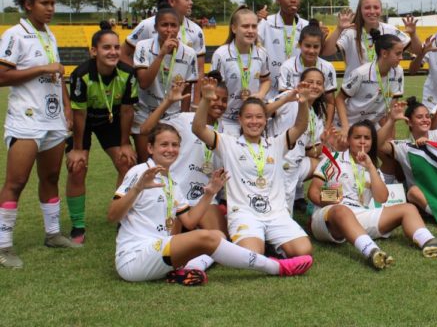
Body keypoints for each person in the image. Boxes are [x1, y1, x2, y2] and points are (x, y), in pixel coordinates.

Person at [108, 124, 312, 284]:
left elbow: (189, 220)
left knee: (218, 235)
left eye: (175, 145)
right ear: (150, 147)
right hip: (134, 257)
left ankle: (190, 269)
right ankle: (276, 268)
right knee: (206, 237)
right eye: (164, 144)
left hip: (157, 251)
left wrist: (210, 193)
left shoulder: (172, 181)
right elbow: (112, 216)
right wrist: (137, 189)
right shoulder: (139, 172)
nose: (170, 149)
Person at [307, 120, 437, 269]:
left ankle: (429, 242)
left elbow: (381, 198)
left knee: (408, 208)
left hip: (358, 216)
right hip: (329, 216)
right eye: (357, 137)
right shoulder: (333, 160)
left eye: (367, 138)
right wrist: (329, 199)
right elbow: (313, 192)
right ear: (348, 140)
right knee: (342, 210)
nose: (362, 142)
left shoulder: (372, 167)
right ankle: (371, 251)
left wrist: (370, 167)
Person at [0, 0, 80, 269]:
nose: (51, 9)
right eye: (45, 3)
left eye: (53, 3)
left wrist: (67, 109)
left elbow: (58, 78)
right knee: (16, 182)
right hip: (26, 121)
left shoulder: (49, 36)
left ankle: (52, 234)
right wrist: (43, 68)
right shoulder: (15, 35)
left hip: (53, 120)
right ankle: (3, 245)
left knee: (50, 178)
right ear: (28, 4)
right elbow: (1, 76)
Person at [192, 76, 314, 260]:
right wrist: (205, 99)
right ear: (240, 119)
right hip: (244, 214)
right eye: (248, 117)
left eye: (259, 117)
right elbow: (199, 128)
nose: (254, 122)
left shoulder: (276, 143)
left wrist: (303, 103)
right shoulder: (228, 143)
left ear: (266, 120)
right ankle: (264, 245)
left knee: (304, 250)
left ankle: (270, 242)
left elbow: (300, 126)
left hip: (276, 214)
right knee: (252, 254)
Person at [65, 22, 138, 244]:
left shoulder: (127, 73)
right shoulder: (82, 74)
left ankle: (121, 217)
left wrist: (125, 143)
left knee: (126, 162)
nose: (113, 52)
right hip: (85, 121)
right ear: (94, 51)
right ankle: (77, 225)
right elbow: (79, 115)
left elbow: (127, 110)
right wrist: (78, 149)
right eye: (107, 48)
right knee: (77, 167)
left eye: (116, 47)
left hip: (111, 119)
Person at [139, 74, 228, 234]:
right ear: (205, 97)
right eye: (215, 98)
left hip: (204, 198)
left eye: (224, 100)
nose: (219, 104)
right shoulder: (183, 120)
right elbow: (145, 130)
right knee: (168, 245)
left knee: (219, 238)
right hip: (175, 195)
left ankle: (193, 235)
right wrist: (168, 101)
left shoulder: (226, 132)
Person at [121, 0, 205, 103]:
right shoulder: (148, 25)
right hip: (148, 101)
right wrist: (138, 76)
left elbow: (200, 69)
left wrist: (196, 102)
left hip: (179, 102)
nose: (191, 2)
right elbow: (123, 53)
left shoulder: (196, 30)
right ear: (172, 1)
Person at [132, 8, 198, 162]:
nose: (169, 30)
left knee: (171, 162)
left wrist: (184, 120)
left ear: (179, 27)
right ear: (155, 28)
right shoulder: (143, 46)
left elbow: (187, 92)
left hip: (172, 116)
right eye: (164, 25)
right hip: (145, 113)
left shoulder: (189, 53)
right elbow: (144, 83)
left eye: (173, 25)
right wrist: (161, 54)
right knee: (145, 162)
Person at [322, 0, 421, 83]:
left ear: (381, 10)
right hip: (355, 93)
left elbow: (418, 51)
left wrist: (413, 34)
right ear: (360, 11)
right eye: (367, 8)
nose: (372, 11)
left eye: (376, 7)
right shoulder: (350, 32)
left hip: (383, 93)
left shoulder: (390, 30)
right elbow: (326, 52)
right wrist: (339, 29)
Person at [269, 67, 329, 214]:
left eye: (319, 83)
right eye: (310, 82)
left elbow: (312, 151)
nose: (314, 86)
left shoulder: (315, 115)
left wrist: (327, 143)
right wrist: (285, 99)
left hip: (295, 166)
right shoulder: (290, 98)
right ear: (301, 83)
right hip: (273, 162)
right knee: (274, 210)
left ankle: (322, 206)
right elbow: (262, 111)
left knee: (330, 164)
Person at [376, 97, 437, 214]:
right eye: (419, 117)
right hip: (422, 194)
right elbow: (378, 144)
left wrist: (430, 144)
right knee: (412, 192)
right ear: (409, 122)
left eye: (427, 116)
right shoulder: (402, 146)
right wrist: (391, 120)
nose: (425, 120)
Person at [211, 6, 271, 135]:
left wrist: (261, 94)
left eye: (254, 26)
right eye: (245, 26)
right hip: (226, 119)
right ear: (234, 28)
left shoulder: (262, 53)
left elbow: (266, 80)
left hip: (252, 120)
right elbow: (215, 89)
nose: (250, 31)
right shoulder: (221, 54)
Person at [335, 33, 404, 134]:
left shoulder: (399, 72)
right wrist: (345, 128)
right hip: (348, 123)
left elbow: (391, 109)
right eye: (398, 54)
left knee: (386, 148)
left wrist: (390, 137)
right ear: (384, 53)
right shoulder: (361, 73)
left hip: (370, 126)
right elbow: (339, 99)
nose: (401, 57)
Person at [278, 20, 337, 131]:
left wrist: (327, 128)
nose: (311, 50)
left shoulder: (328, 67)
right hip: (292, 119)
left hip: (317, 120)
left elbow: (330, 102)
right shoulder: (288, 67)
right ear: (300, 44)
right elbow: (286, 102)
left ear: (321, 47)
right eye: (307, 46)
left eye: (316, 47)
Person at [257, 0, 309, 99]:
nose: (293, 0)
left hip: (298, 92)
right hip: (269, 93)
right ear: (278, 0)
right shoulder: (266, 22)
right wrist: (256, 21)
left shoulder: (306, 25)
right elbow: (251, 45)